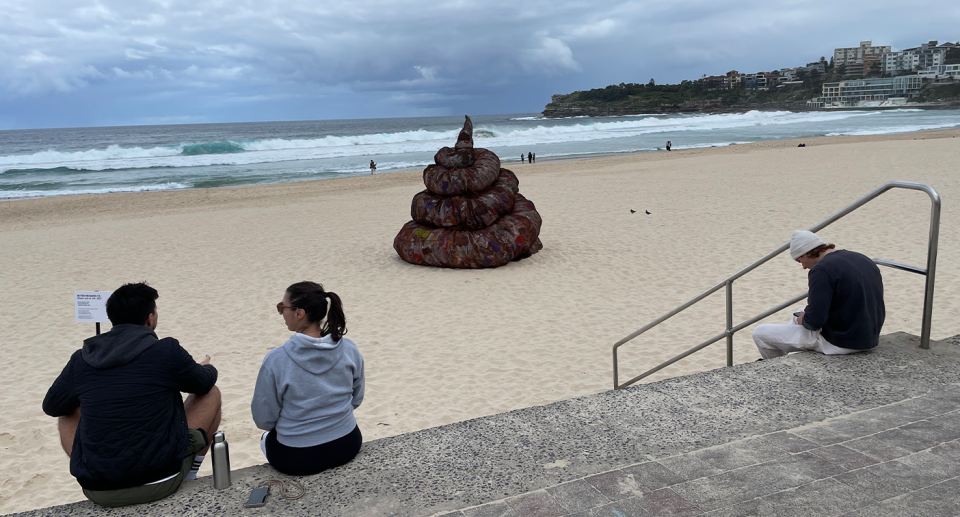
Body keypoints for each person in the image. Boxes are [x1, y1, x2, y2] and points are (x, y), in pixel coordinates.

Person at [42, 283, 220, 507]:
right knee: (211, 393)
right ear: (150, 319)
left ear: (112, 319)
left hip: (98, 489)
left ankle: (93, 463)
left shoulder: (81, 358)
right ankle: (190, 472)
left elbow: (51, 406)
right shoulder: (166, 351)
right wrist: (205, 368)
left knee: (66, 409)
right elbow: (204, 382)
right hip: (160, 480)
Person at [252, 281, 364, 476]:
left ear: (299, 313)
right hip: (348, 443)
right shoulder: (349, 349)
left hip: (296, 457)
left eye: (282, 307)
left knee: (266, 438)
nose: (281, 313)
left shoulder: (276, 360)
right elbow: (356, 398)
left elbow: (264, 419)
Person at [752, 230, 885, 360]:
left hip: (843, 342)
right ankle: (792, 360)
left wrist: (803, 320)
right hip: (870, 336)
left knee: (760, 333)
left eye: (800, 261)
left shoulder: (822, 270)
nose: (803, 267)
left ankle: (778, 368)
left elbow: (814, 321)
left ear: (805, 253)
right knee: (799, 312)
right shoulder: (862, 258)